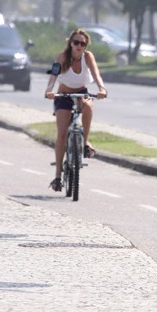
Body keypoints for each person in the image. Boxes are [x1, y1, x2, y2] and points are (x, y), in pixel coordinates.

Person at [44, 28, 107, 192]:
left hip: (81, 93)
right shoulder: (63, 57)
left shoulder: (88, 57)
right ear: (71, 43)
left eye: (83, 43)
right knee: (62, 135)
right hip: (63, 95)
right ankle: (58, 176)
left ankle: (85, 142)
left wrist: (102, 88)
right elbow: (53, 75)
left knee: (88, 105)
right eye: (76, 42)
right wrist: (49, 90)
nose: (79, 46)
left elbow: (96, 74)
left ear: (86, 46)